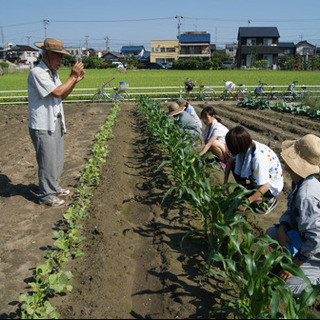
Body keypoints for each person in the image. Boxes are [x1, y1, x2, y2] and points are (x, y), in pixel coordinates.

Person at [28, 38, 85, 206]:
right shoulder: (37, 72)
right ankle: (46, 196)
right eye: (57, 57)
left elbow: (62, 94)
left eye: (61, 57)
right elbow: (57, 91)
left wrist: (74, 81)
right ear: (46, 55)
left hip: (55, 120)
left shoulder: (53, 73)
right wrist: (72, 76)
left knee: (57, 159)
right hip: (42, 124)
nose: (60, 60)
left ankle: (54, 186)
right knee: (47, 161)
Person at [266, 134, 320, 297]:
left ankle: (314, 275)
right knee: (272, 234)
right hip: (304, 237)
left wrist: (294, 267)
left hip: (316, 249)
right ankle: (296, 260)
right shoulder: (300, 183)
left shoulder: (307, 195)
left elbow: (316, 239)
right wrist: (283, 228)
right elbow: (291, 212)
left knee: (284, 287)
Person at [224, 126, 283, 214]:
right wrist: (225, 184)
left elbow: (265, 186)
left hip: (271, 185)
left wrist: (246, 202)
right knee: (238, 190)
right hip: (257, 179)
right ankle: (245, 191)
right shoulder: (245, 146)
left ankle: (270, 199)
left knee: (242, 196)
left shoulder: (258, 158)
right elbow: (229, 163)